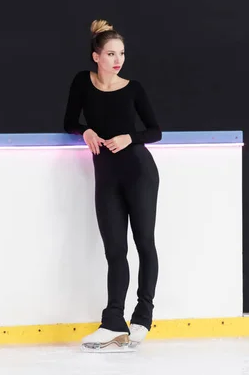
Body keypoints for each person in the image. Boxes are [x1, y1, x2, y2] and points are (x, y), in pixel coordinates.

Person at [63, 19, 162, 352]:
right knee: (115, 251)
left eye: (121, 53)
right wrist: (85, 131)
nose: (117, 59)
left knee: (144, 242)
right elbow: (69, 121)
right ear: (96, 56)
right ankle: (113, 322)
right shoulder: (82, 83)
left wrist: (129, 136)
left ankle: (143, 316)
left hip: (139, 171)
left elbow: (155, 130)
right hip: (106, 174)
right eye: (110, 53)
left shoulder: (133, 89)